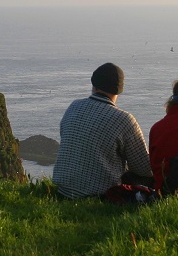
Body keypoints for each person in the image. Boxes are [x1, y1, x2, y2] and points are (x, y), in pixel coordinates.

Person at [52, 63, 153, 198]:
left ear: (94, 84)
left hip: (63, 190)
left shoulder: (73, 106)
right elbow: (143, 168)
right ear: (119, 90)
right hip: (101, 194)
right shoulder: (124, 119)